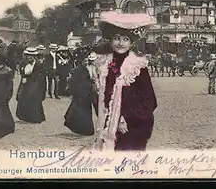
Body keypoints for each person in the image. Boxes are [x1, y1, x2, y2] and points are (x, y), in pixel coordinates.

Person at [92, 11, 158, 151]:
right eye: (117, 38)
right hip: (109, 125)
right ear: (111, 40)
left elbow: (150, 100)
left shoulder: (137, 67)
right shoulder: (104, 64)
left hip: (132, 126)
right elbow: (103, 96)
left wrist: (126, 118)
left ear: (131, 42)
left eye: (125, 39)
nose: (121, 43)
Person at [64, 53, 96, 136]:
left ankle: (85, 129)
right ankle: (83, 129)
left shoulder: (85, 69)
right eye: (85, 61)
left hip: (86, 94)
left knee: (86, 111)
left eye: (87, 61)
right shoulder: (77, 70)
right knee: (81, 111)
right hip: (80, 94)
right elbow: (73, 82)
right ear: (81, 62)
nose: (86, 62)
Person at [16, 47, 46, 124]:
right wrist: (24, 76)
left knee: (34, 98)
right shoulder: (24, 63)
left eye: (31, 56)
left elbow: (41, 76)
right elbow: (22, 72)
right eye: (28, 55)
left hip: (35, 83)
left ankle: (35, 117)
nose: (29, 57)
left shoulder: (38, 64)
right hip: (26, 83)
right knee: (24, 98)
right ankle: (25, 116)